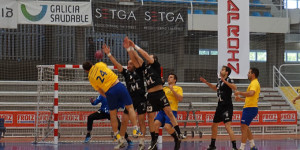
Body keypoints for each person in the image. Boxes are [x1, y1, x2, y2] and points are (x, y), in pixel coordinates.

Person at [129, 39, 183, 150]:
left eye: (150, 56)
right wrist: (130, 48)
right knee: (151, 119)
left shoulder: (156, 66)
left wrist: (136, 46)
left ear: (154, 59)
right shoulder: (145, 68)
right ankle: (153, 140)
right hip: (150, 96)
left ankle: (178, 133)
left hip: (159, 93)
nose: (148, 56)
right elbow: (137, 59)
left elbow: (144, 55)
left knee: (169, 112)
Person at [82, 59, 139, 150]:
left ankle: (118, 137)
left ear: (86, 70)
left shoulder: (90, 77)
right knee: (130, 107)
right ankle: (135, 128)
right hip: (117, 85)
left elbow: (100, 91)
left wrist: (107, 95)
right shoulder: (99, 64)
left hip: (109, 92)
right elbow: (106, 69)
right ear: (92, 64)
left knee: (113, 116)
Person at [102, 40, 146, 150]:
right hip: (130, 99)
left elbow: (139, 60)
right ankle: (121, 141)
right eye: (128, 63)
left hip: (141, 98)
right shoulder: (126, 73)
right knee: (124, 121)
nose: (129, 65)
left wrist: (130, 48)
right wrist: (109, 54)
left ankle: (141, 142)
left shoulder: (140, 70)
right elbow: (116, 64)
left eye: (131, 63)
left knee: (141, 121)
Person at [200, 66, 238, 150]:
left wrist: (225, 81)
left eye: (223, 69)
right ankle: (212, 145)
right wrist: (206, 82)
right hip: (220, 106)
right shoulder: (220, 81)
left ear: (227, 72)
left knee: (227, 126)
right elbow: (215, 88)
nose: (221, 70)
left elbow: (235, 87)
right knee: (214, 126)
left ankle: (234, 147)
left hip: (227, 106)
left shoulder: (229, 79)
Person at [154, 73, 183, 150]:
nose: (169, 78)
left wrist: (172, 89)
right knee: (155, 124)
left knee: (167, 127)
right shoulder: (164, 88)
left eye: (171, 77)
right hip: (162, 110)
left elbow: (180, 99)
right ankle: (154, 144)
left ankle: (176, 139)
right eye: (168, 77)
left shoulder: (178, 88)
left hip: (171, 111)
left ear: (175, 80)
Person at [235, 67, 260, 150]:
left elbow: (251, 93)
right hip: (249, 108)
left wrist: (240, 93)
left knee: (243, 127)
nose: (248, 74)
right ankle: (252, 145)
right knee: (245, 127)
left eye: (249, 73)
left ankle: (242, 148)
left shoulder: (255, 83)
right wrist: (241, 99)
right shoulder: (253, 83)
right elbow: (249, 98)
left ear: (253, 74)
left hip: (250, 109)